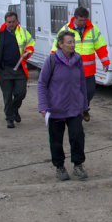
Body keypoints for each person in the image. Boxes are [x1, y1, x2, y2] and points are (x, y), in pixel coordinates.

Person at [37, 30, 88, 181]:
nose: (73, 45)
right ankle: (59, 167)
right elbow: (41, 84)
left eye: (73, 42)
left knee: (78, 136)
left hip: (74, 108)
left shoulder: (78, 60)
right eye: (69, 42)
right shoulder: (52, 60)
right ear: (60, 44)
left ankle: (78, 165)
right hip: (55, 108)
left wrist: (84, 105)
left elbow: (83, 84)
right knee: (56, 140)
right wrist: (43, 105)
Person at [51, 7, 109, 122]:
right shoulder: (66, 29)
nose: (83, 23)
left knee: (90, 91)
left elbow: (101, 46)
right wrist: (54, 64)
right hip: (71, 69)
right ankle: (75, 113)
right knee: (71, 92)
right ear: (75, 18)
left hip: (88, 70)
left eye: (85, 20)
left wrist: (105, 60)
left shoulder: (93, 29)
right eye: (81, 20)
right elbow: (56, 48)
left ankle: (84, 108)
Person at [0, 11, 36, 128]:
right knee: (7, 95)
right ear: (5, 22)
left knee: (21, 93)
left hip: (20, 69)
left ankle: (14, 109)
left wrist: (28, 53)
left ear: (17, 21)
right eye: (9, 22)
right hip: (4, 70)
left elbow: (31, 44)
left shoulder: (23, 32)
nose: (11, 24)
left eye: (13, 22)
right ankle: (9, 118)